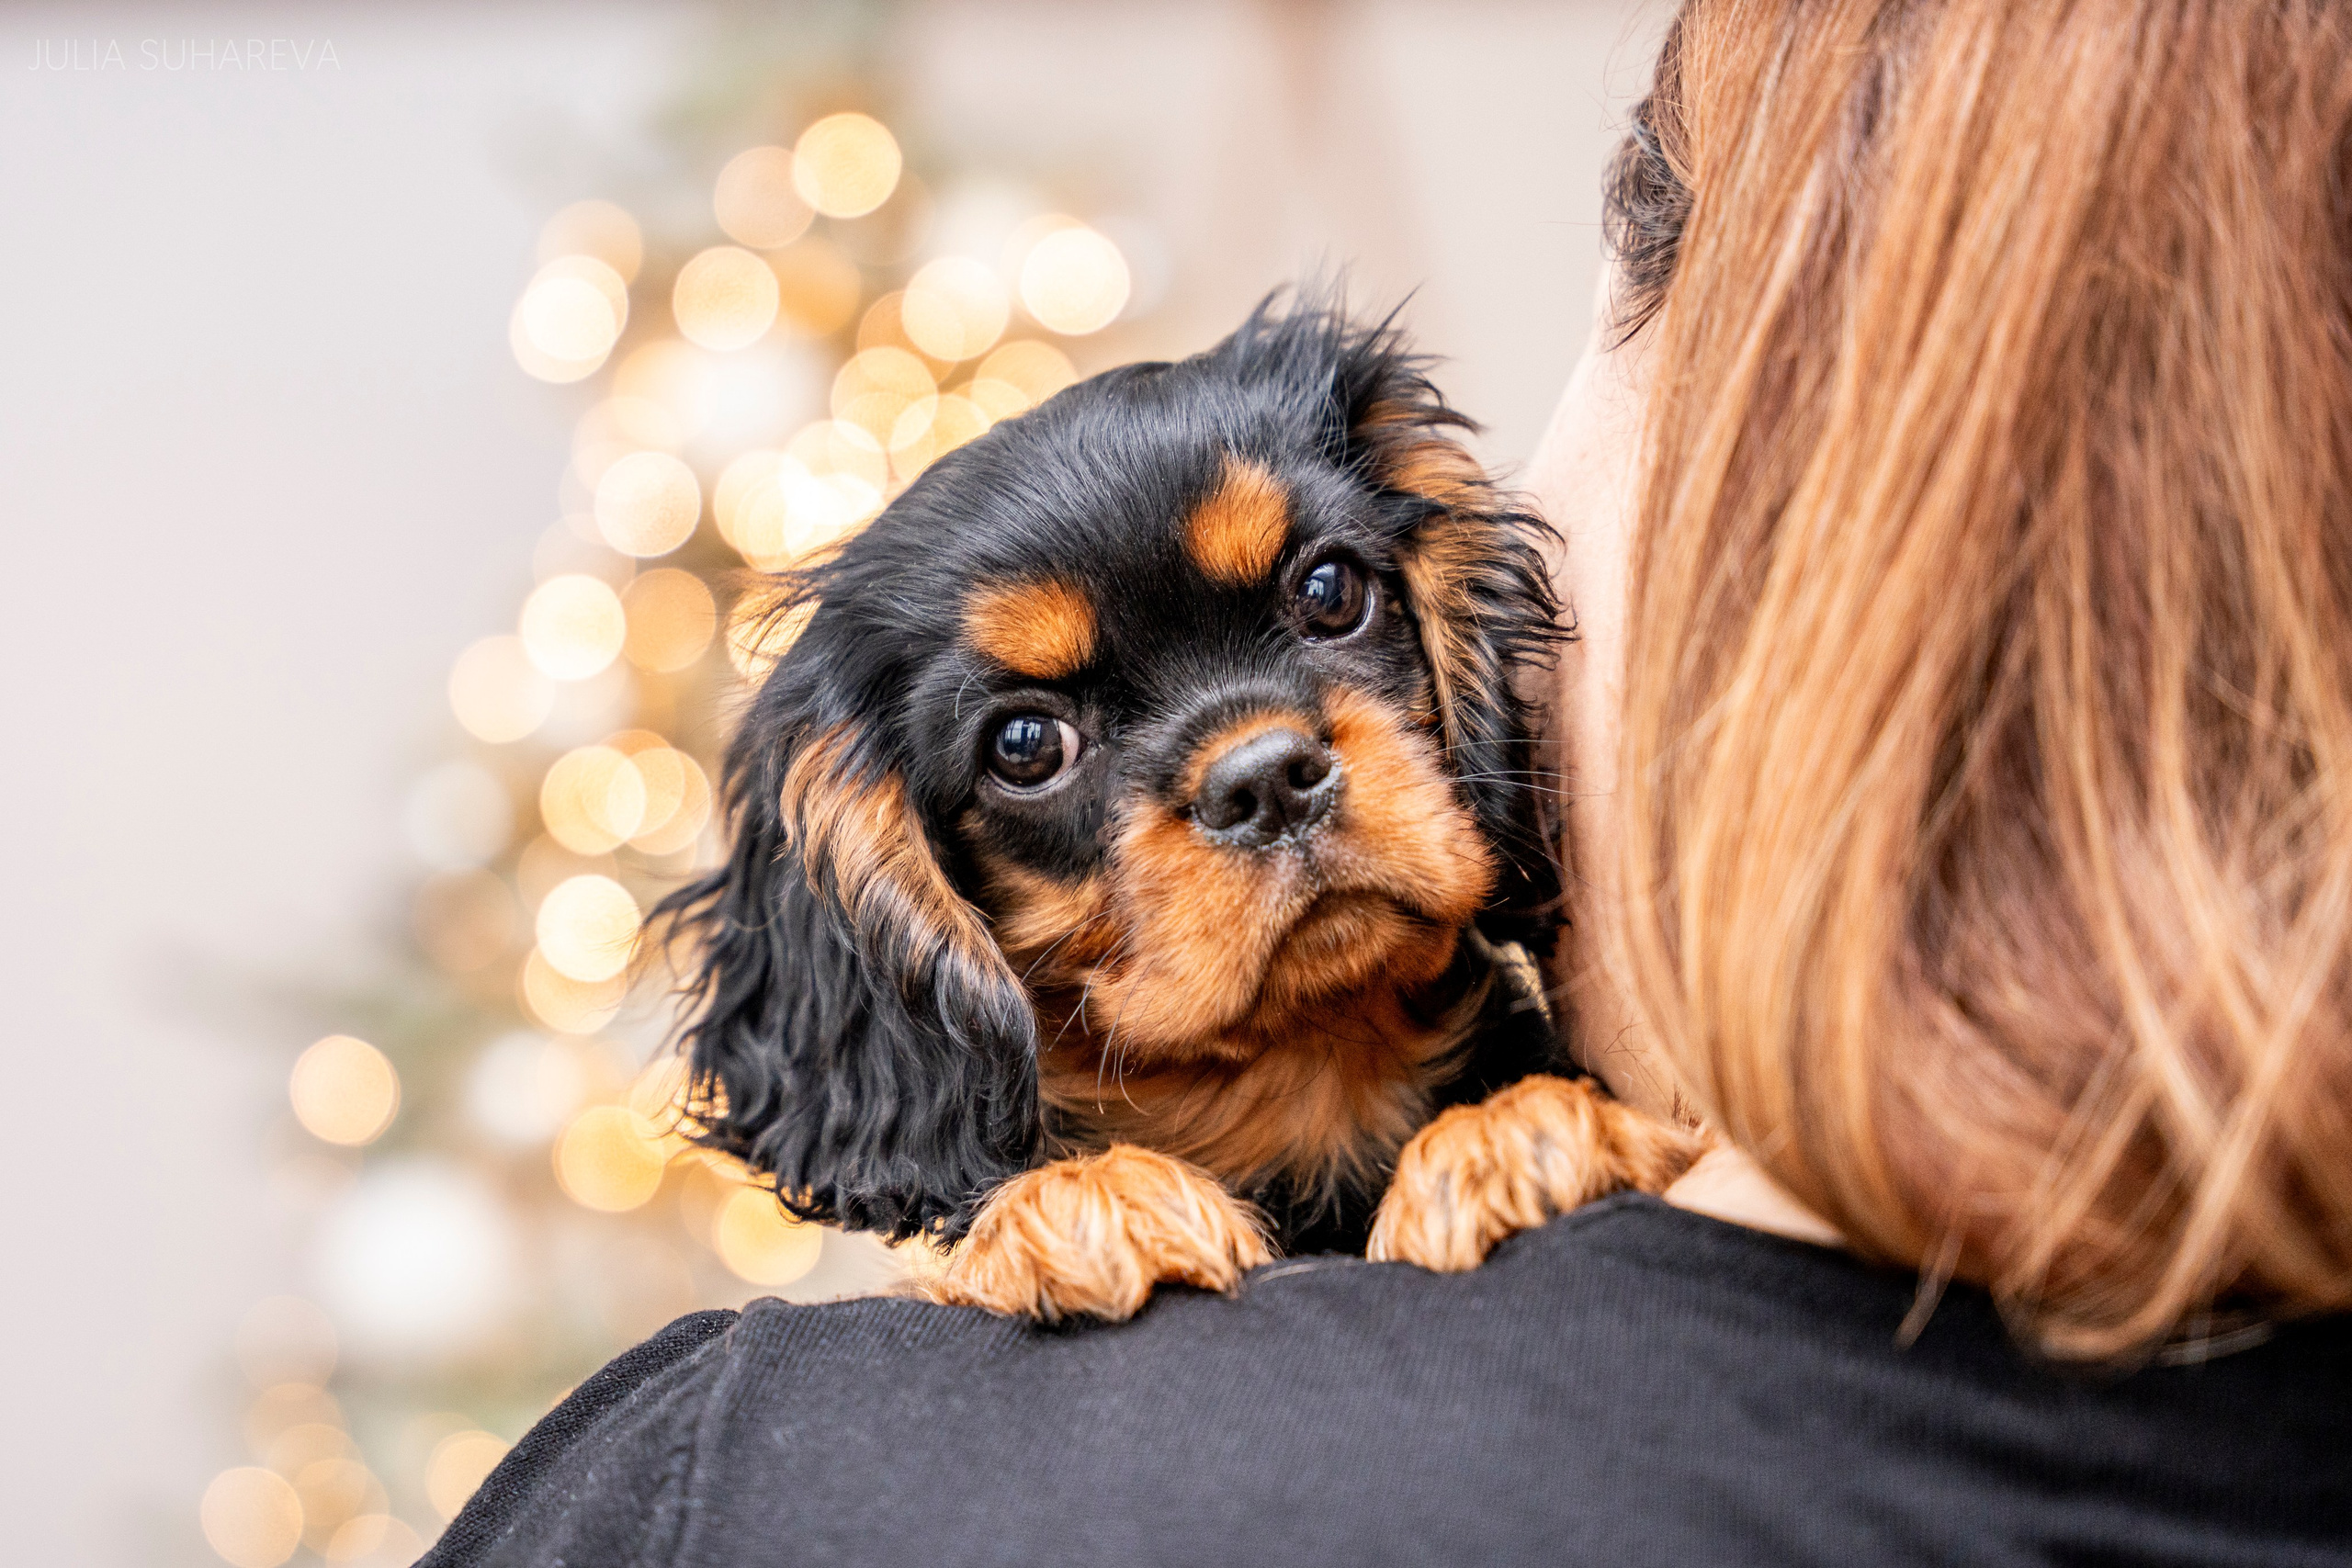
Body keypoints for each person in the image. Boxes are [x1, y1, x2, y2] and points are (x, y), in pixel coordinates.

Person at [423, 3, 2352, 1562]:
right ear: (902, 879)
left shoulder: (750, 1491)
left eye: (1322, 602)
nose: (1257, 753)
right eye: (1031, 743)